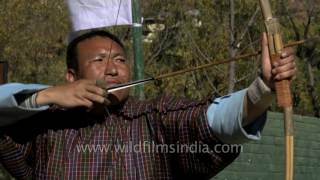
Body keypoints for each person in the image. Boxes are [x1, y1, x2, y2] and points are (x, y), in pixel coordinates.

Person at [0, 30, 296, 179]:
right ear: (71, 75)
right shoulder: (44, 124)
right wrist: (47, 96)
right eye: (99, 60)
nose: (113, 70)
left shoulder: (154, 118)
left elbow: (213, 120)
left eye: (119, 60)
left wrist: (263, 88)